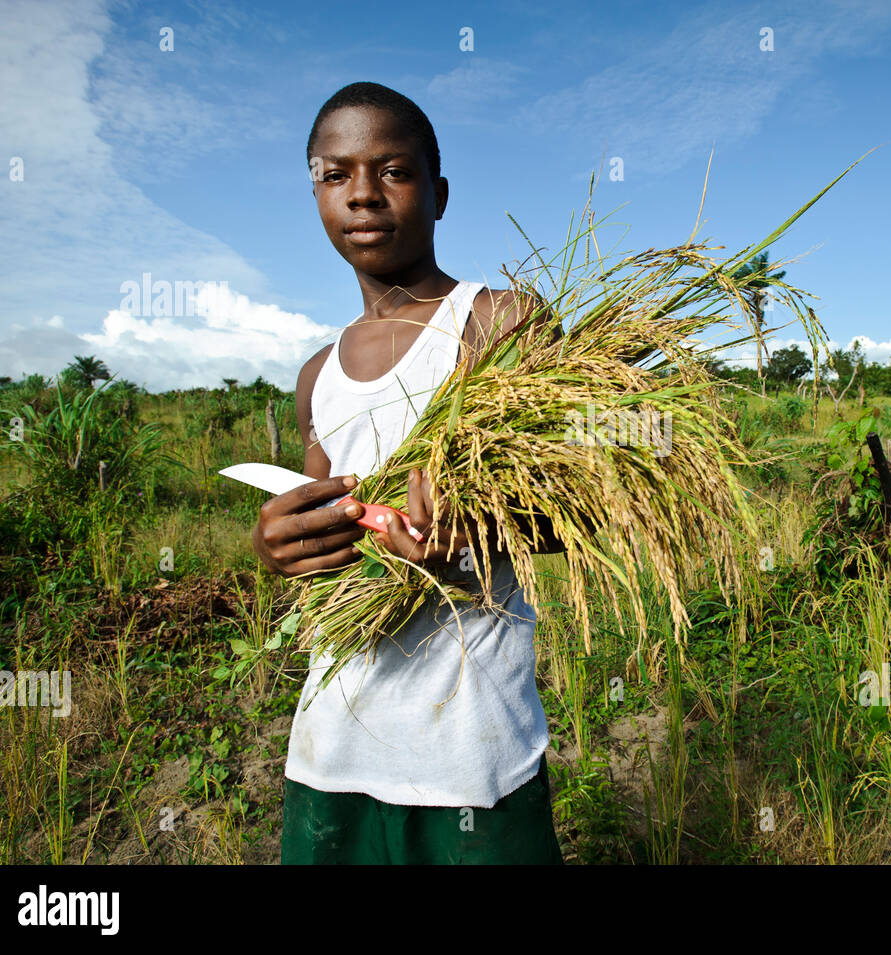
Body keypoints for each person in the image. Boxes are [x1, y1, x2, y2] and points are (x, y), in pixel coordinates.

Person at [251, 81, 564, 864]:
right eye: (335, 175)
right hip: (333, 750)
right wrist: (282, 544)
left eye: (393, 171)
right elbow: (330, 558)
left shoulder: (501, 325)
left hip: (469, 755)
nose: (363, 195)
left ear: (439, 192)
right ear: (316, 193)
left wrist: (469, 536)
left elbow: (589, 513)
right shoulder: (317, 374)